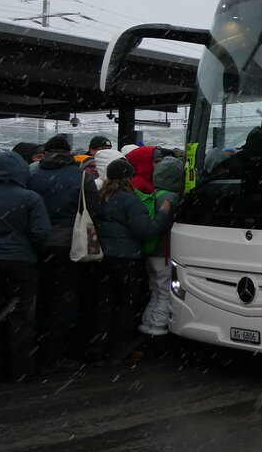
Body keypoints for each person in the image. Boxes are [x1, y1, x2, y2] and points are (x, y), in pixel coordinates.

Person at [0, 151, 50, 381]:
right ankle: (21, 368)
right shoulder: (31, 198)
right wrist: (33, 251)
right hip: (21, 260)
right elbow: (41, 233)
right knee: (21, 314)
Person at [27, 134, 98, 371]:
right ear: (69, 153)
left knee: (40, 296)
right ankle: (56, 353)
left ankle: (35, 349)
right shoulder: (81, 178)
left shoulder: (32, 176)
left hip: (38, 243)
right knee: (65, 297)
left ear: (46, 152)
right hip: (71, 243)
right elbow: (93, 211)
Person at [91, 159, 173, 364]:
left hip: (102, 256)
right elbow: (146, 230)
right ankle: (120, 350)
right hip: (126, 259)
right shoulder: (130, 200)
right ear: (128, 177)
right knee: (125, 305)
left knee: (104, 304)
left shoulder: (100, 197)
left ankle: (98, 349)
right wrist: (163, 213)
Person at [139, 155, 184, 340]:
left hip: (150, 251)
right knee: (165, 292)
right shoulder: (171, 197)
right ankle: (158, 328)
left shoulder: (154, 194)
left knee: (155, 291)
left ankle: (147, 322)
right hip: (163, 252)